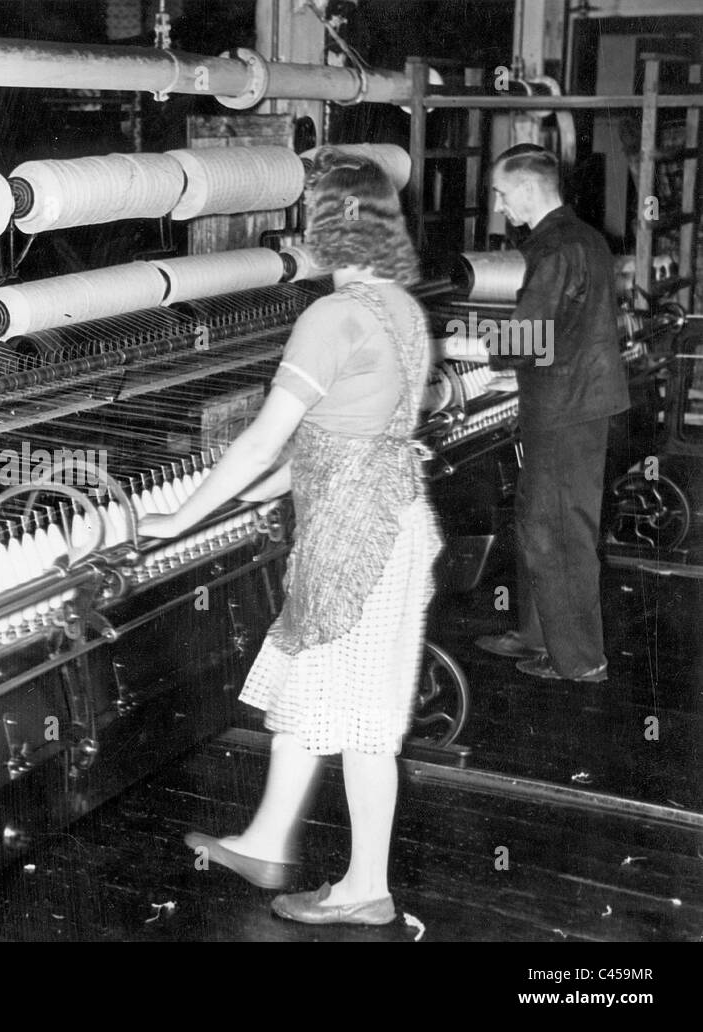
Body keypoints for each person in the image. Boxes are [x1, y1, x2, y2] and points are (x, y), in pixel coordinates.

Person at [138, 149, 441, 926]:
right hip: (386, 517)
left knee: (364, 721)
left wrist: (184, 514)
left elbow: (262, 443)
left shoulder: (330, 317)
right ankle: (268, 839)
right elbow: (342, 438)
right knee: (312, 691)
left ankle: (367, 891)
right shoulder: (399, 308)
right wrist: (252, 499)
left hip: (354, 540)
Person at [473, 144, 630, 682]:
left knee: (560, 531)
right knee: (539, 520)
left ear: (527, 187)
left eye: (500, 192)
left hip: (566, 408)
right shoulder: (580, 237)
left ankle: (582, 661)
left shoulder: (557, 246)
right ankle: (538, 635)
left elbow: (527, 334)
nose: (498, 205)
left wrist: (459, 345)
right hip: (569, 399)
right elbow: (561, 328)